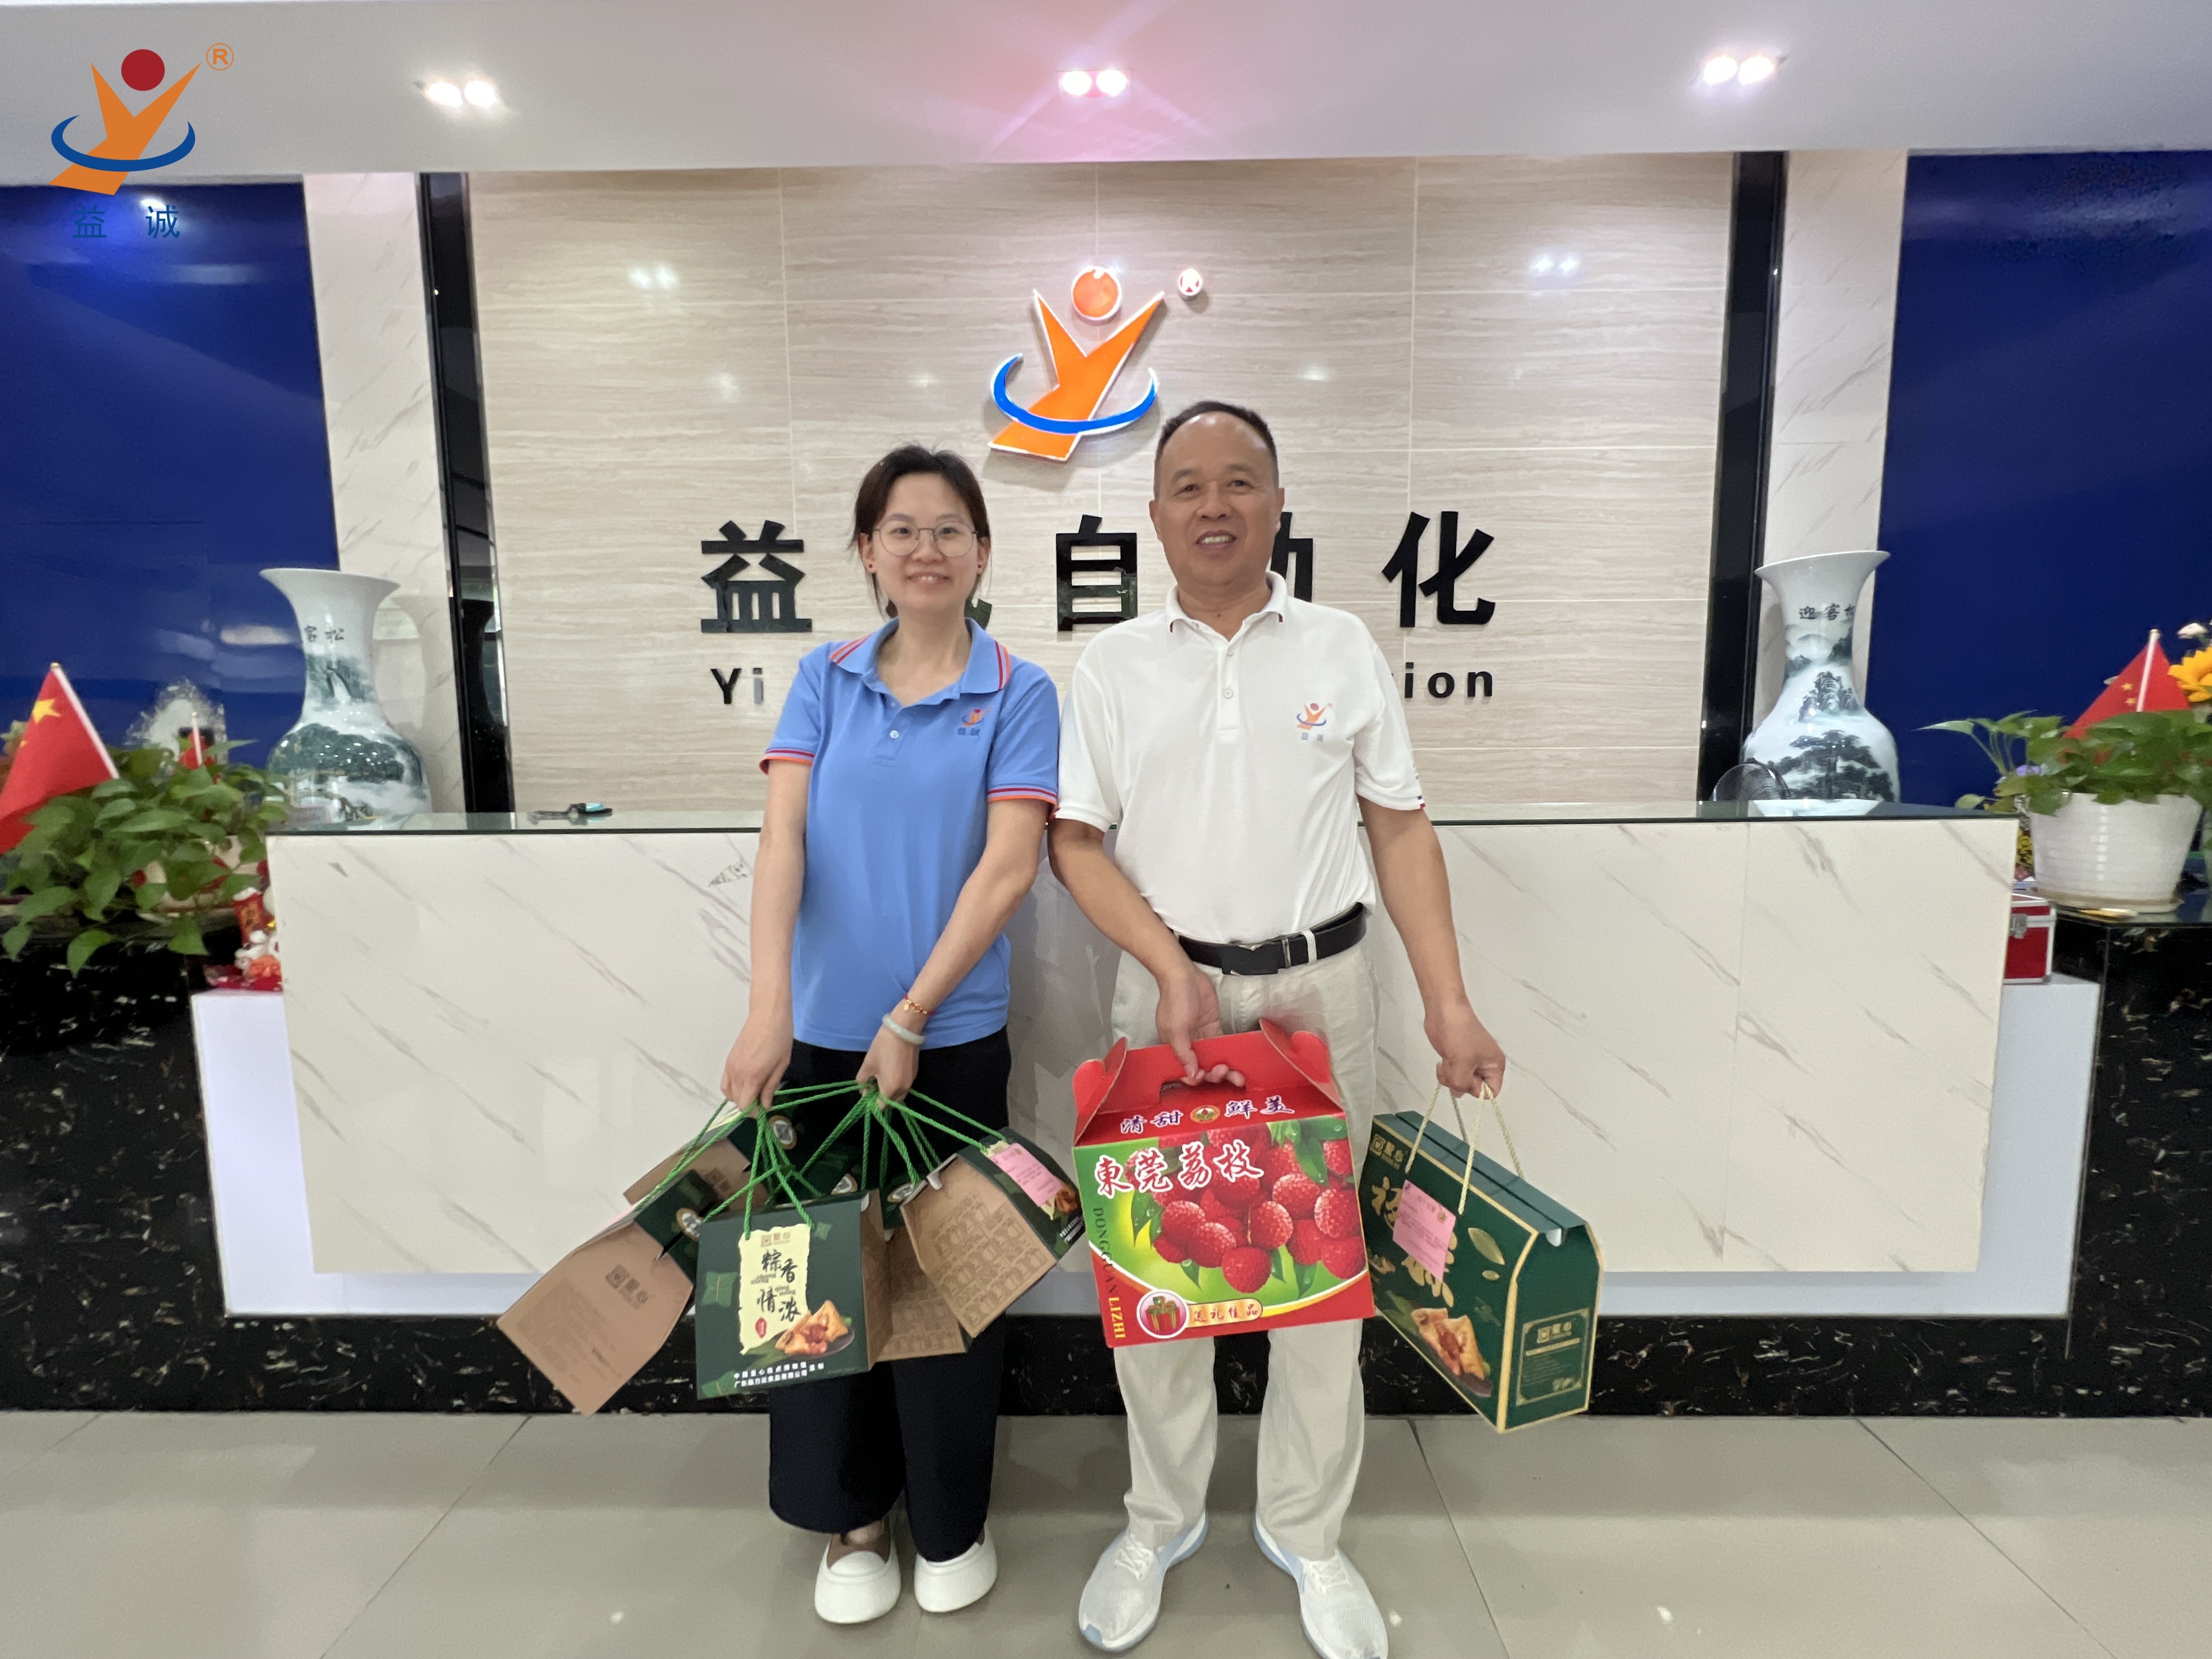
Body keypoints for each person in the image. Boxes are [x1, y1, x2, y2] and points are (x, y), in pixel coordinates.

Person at [1049, 402, 1508, 1659]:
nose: (1215, 505)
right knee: (1158, 1269)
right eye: (1189, 486)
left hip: (1321, 996)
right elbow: (1074, 843)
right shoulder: (1113, 666)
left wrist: (1449, 1001)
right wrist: (1167, 965)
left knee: (1322, 1277)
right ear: (1154, 516)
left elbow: (1399, 828)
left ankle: (1307, 1532)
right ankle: (1159, 1521)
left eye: (1240, 482)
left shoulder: (1341, 647)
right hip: (1168, 1003)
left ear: (1278, 503)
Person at [720, 443, 1059, 1626]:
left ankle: (952, 1518)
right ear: (867, 551)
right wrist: (768, 1009)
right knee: (818, 1281)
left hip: (951, 1040)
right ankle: (850, 1520)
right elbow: (783, 844)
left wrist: (910, 1015)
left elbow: (1008, 867)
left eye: (950, 528)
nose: (927, 549)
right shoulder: (823, 678)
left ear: (983, 551)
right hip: (817, 1048)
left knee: (952, 1282)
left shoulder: (1019, 689)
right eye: (902, 529)